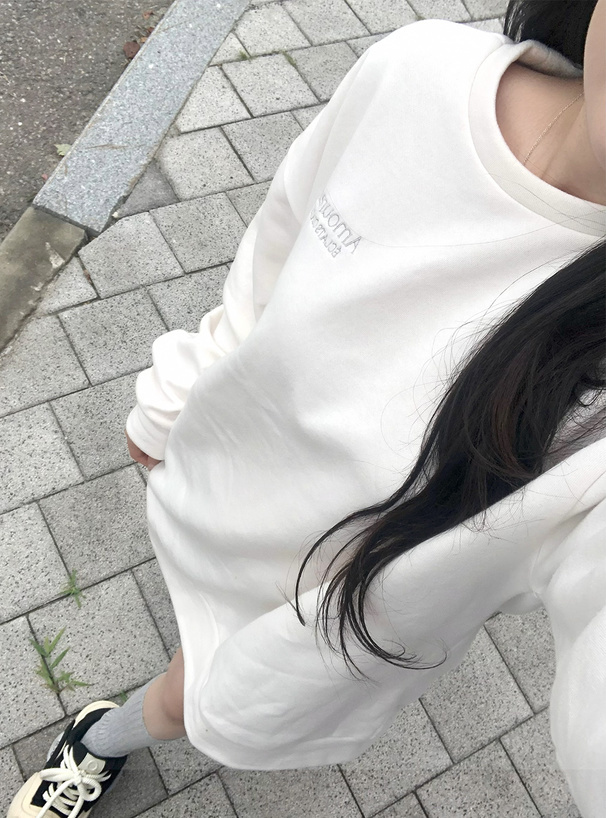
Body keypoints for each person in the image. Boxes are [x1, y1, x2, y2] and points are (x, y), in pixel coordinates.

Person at [9, 0, 606, 815]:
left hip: (319, 617)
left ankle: (98, 740)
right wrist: (178, 391)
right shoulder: (420, 72)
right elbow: (277, 245)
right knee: (189, 663)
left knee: (188, 703)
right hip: (216, 483)